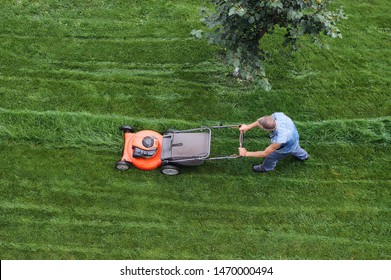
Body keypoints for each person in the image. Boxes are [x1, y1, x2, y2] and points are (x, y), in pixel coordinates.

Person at [238, 112, 309, 173]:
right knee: (295, 147)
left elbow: (265, 153)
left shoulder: (279, 139)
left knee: (271, 156)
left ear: (265, 130)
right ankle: (304, 156)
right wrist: (248, 127)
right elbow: (261, 121)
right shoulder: (278, 116)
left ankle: (266, 168)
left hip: (286, 147)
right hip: (294, 138)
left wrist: (246, 153)